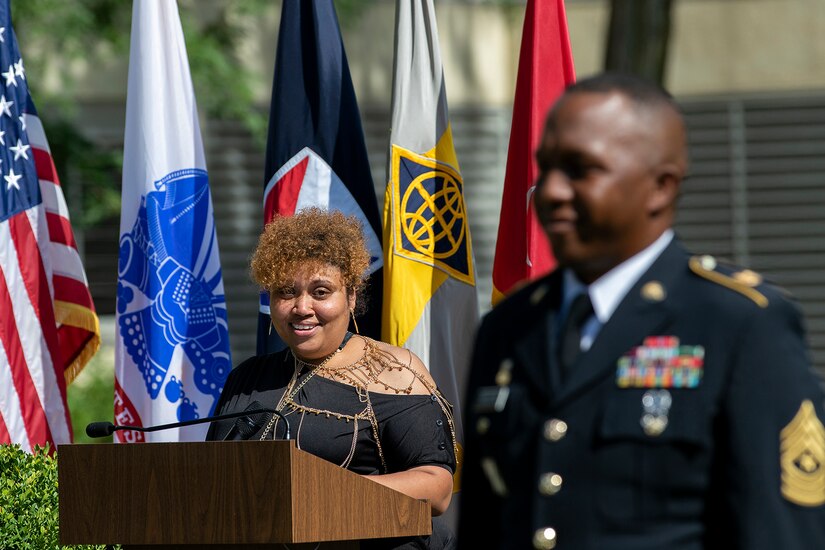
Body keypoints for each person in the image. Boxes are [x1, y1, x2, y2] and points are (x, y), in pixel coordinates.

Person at [458, 73, 825, 549]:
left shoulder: (738, 323)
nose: (549, 191)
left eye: (580, 169)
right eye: (545, 168)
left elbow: (781, 534)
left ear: (661, 188)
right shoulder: (507, 328)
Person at [206, 207, 458, 549]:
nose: (301, 307)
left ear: (351, 296)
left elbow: (436, 488)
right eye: (285, 292)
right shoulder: (248, 377)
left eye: (321, 292)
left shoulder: (395, 371)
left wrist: (315, 496)